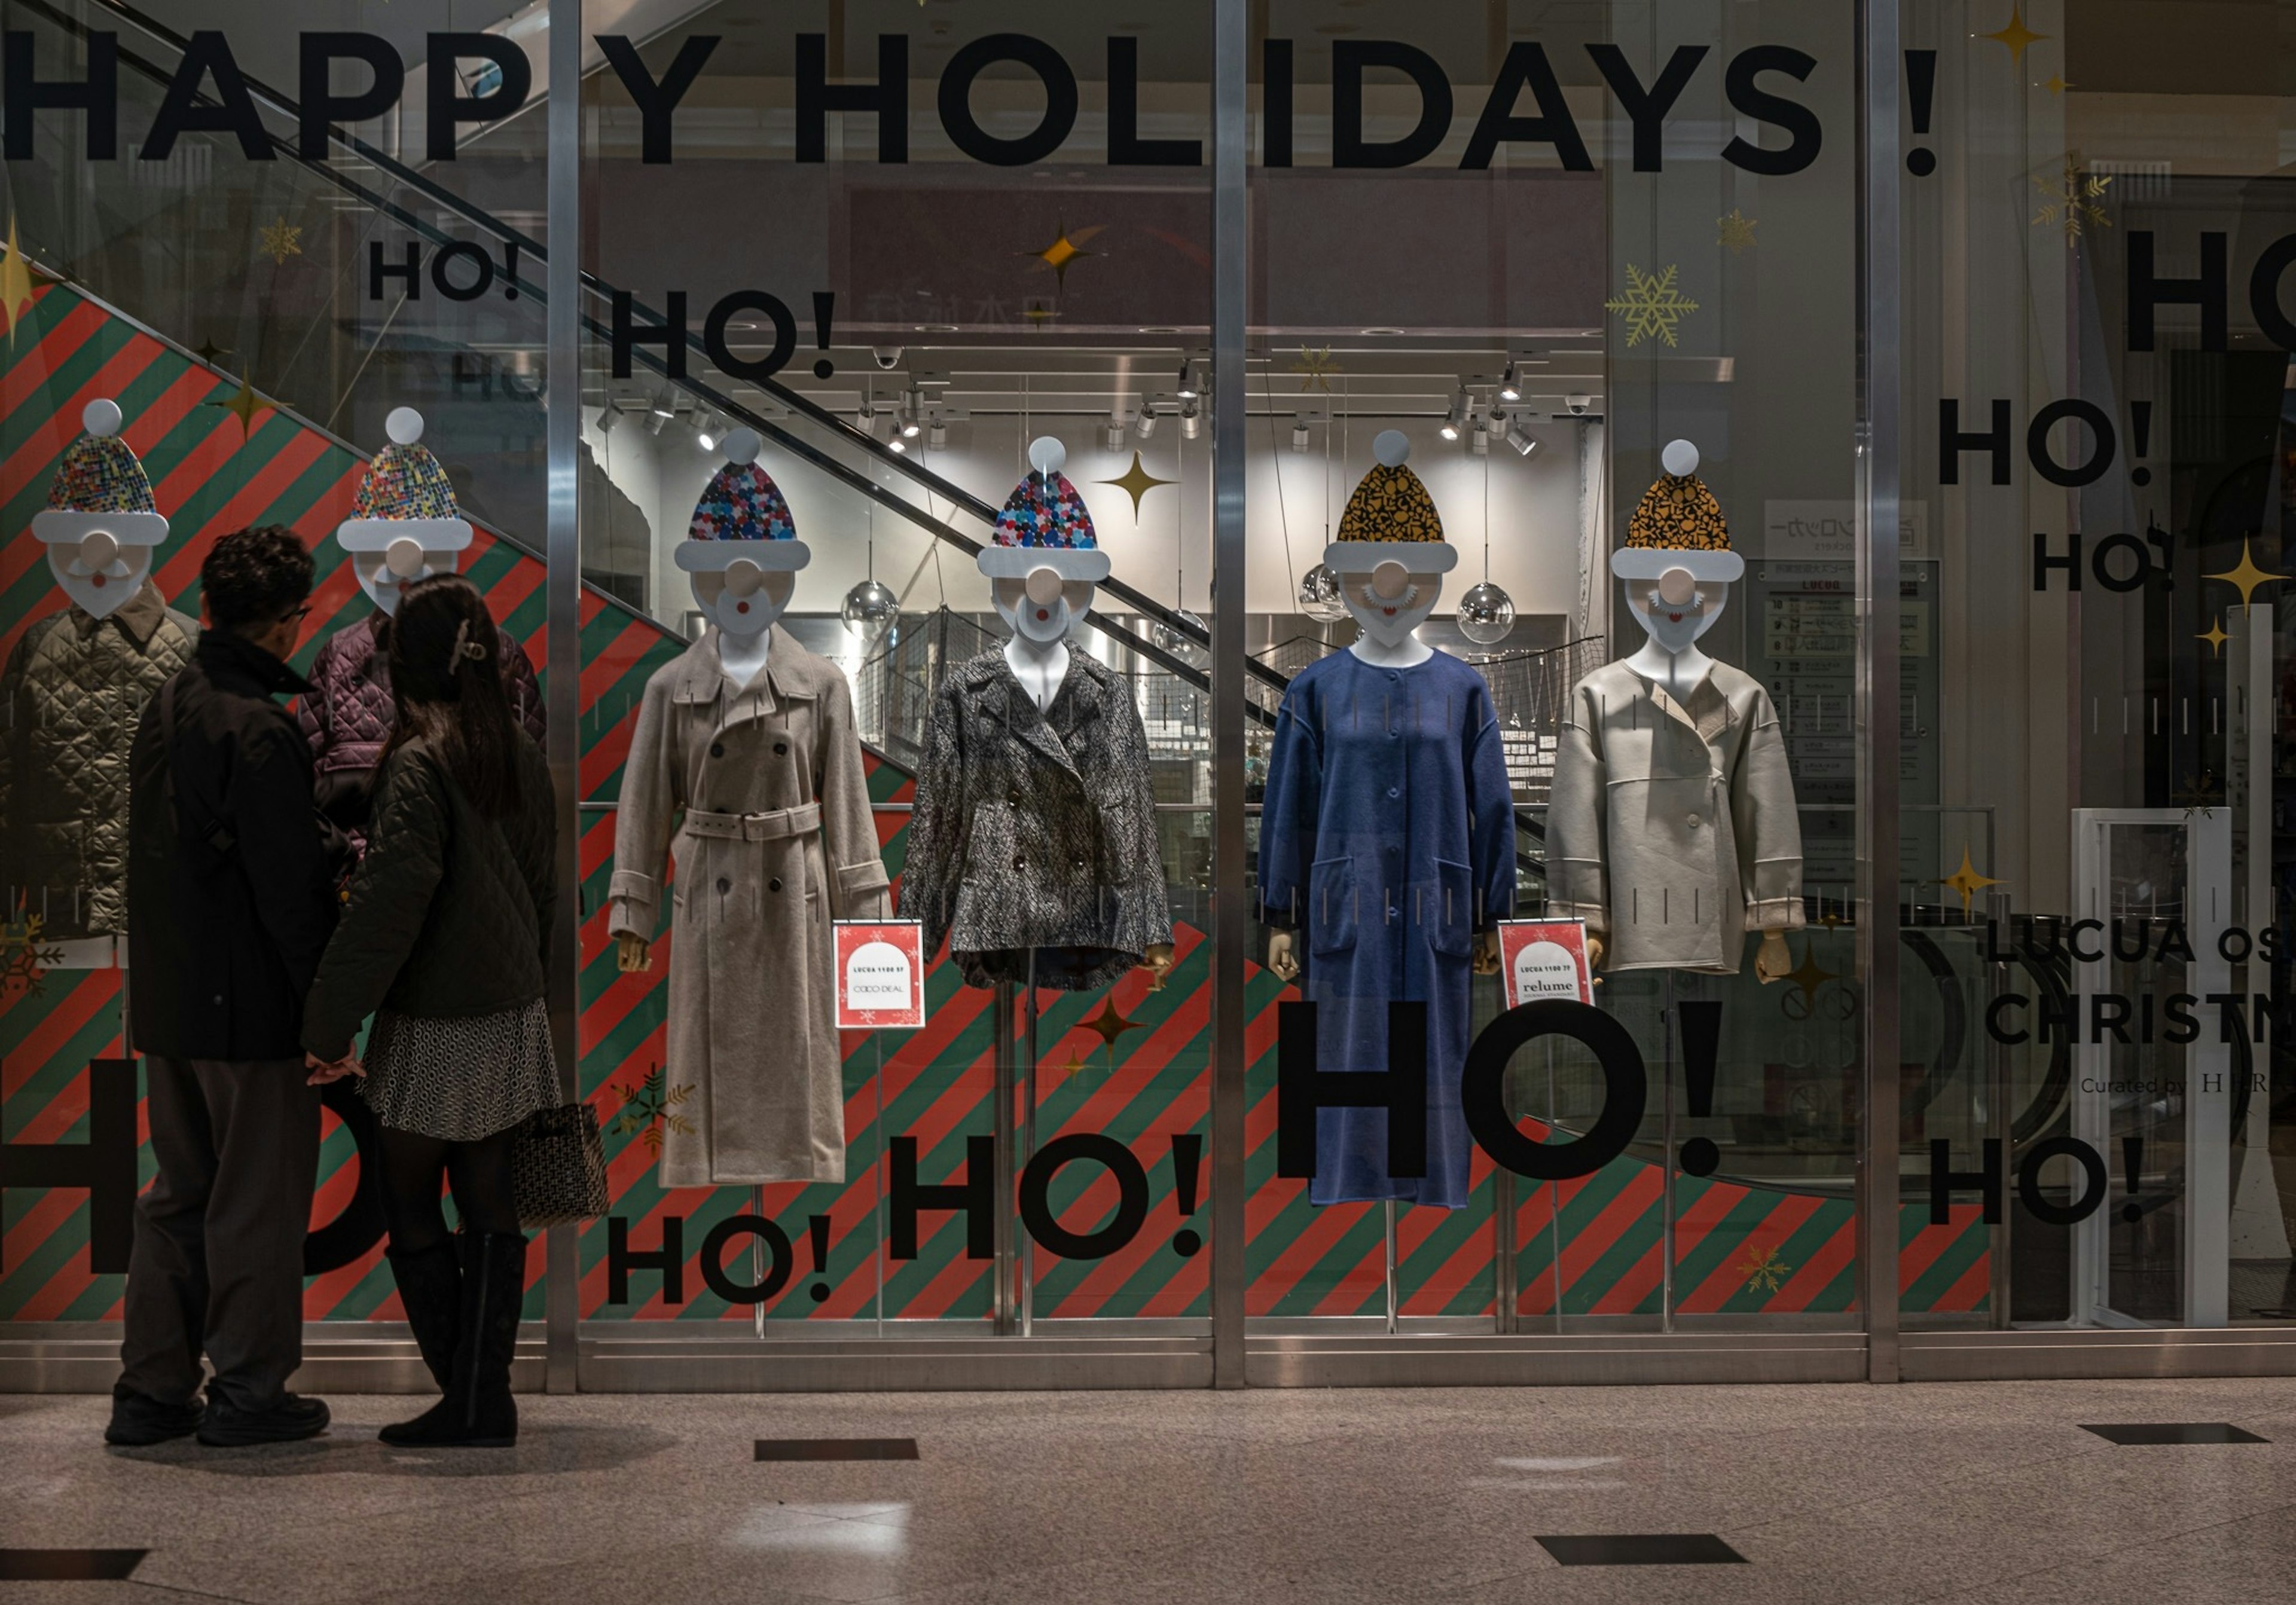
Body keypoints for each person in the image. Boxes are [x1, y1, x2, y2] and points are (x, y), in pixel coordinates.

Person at [301, 575, 557, 1449]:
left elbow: (387, 905)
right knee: (489, 1199)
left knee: (408, 1195)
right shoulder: (515, 750)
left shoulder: (417, 761)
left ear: (403, 665)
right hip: (511, 1006)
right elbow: (548, 894)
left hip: (438, 1011)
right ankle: (483, 1397)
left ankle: (471, 1393)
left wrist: (327, 1025)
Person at [114, 527, 340, 1448]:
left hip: (168, 1002)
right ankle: (249, 1391)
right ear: (290, 623)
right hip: (249, 1012)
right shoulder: (262, 731)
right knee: (255, 1201)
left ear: (208, 608)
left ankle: (151, 1392)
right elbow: (293, 898)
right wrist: (329, 1015)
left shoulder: (166, 704)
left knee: (177, 1196)